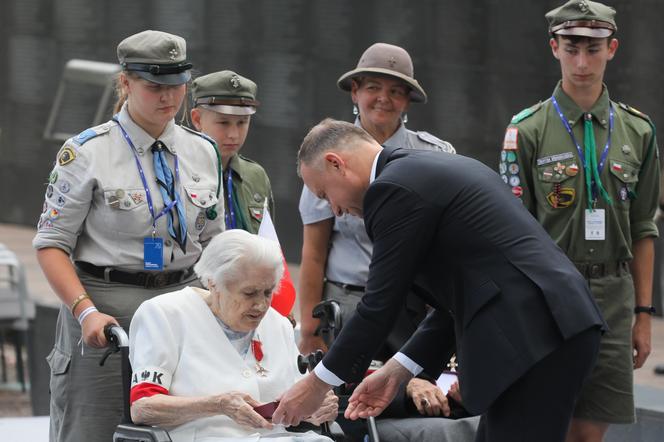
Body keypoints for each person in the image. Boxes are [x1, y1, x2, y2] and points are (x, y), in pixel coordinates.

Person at [272, 119, 606, 442]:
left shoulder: (391, 188)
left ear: (335, 164)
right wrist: (398, 370)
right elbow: (457, 301)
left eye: (324, 194)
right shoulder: (422, 170)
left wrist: (317, 384)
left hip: (535, 333)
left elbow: (378, 305)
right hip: (547, 328)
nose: (335, 209)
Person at [33, 30, 224, 442]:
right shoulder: (86, 152)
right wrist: (85, 312)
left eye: (177, 85)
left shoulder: (203, 151)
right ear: (125, 82)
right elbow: (51, 244)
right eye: (154, 86)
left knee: (189, 428)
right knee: (94, 428)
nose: (168, 97)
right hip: (107, 314)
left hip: (184, 307)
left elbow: (215, 241)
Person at [499, 1, 660, 440]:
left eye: (594, 48)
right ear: (555, 48)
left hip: (614, 296)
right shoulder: (526, 130)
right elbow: (511, 231)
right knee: (544, 424)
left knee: (590, 433)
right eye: (572, 48)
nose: (582, 62)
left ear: (613, 49)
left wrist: (642, 315)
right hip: (550, 295)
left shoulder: (639, 131)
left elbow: (645, 227)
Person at [297, 44, 459, 438]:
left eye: (396, 91)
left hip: (414, 307)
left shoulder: (433, 155)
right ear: (354, 92)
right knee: (353, 412)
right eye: (372, 87)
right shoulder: (328, 155)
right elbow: (314, 253)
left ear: (407, 101)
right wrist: (308, 329)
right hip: (350, 303)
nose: (383, 98)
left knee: (422, 403)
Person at [129, 229, 337, 441]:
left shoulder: (278, 323)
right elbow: (143, 407)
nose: (261, 305)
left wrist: (318, 404)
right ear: (213, 284)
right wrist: (218, 405)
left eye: (268, 292)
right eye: (249, 293)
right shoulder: (165, 314)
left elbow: (300, 396)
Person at [190, 70, 274, 233]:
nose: (233, 135)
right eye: (223, 123)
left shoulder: (255, 176)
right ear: (197, 119)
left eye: (242, 122)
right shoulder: (179, 169)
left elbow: (267, 242)